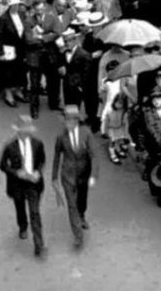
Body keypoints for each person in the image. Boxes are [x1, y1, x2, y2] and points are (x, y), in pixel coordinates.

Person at [0, 114, 47, 258]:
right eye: (24, 131)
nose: (27, 134)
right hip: (17, 184)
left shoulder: (38, 144)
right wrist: (16, 173)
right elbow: (2, 165)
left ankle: (39, 244)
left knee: (35, 212)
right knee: (20, 207)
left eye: (28, 131)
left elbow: (42, 161)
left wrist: (38, 172)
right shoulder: (9, 147)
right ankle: (23, 226)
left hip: (33, 183)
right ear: (18, 131)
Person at [51, 103, 98, 249]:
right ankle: (78, 235)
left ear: (76, 121)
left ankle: (82, 215)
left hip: (84, 174)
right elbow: (57, 157)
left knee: (81, 200)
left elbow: (94, 155)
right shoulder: (61, 137)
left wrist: (93, 175)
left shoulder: (86, 133)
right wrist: (54, 177)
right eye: (66, 120)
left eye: (70, 120)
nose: (67, 123)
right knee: (72, 205)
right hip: (68, 175)